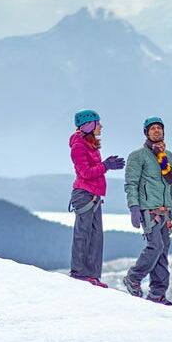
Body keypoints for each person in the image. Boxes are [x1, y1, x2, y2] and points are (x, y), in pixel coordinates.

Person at [122, 116, 172, 304]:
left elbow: (171, 186)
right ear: (146, 133)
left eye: (159, 128)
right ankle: (133, 277)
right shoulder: (138, 156)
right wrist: (134, 208)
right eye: (152, 129)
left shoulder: (168, 157)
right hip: (148, 211)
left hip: (166, 212)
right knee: (155, 246)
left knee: (163, 251)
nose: (156, 131)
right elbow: (131, 184)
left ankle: (157, 293)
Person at [67, 109, 125, 286]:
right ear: (88, 125)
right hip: (84, 195)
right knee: (83, 234)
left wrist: (105, 165)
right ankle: (78, 273)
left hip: (93, 196)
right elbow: (85, 173)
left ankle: (91, 275)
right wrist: (106, 165)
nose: (101, 126)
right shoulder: (78, 146)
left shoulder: (90, 143)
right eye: (98, 123)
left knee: (96, 236)